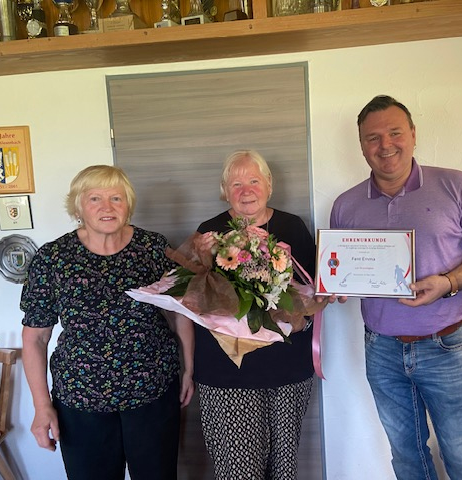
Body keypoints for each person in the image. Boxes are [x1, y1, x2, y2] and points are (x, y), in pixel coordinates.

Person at [330, 95, 462, 480]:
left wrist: (449, 282)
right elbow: (341, 269)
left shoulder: (456, 185)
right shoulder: (345, 205)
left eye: (395, 133)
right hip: (381, 349)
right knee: (407, 460)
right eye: (372, 138)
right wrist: (338, 285)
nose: (385, 145)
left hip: (447, 346)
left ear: (413, 134)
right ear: (361, 145)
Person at [20, 165, 194, 480]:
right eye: (95, 199)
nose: (107, 207)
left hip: (152, 392)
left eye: (116, 198)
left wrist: (188, 370)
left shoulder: (153, 248)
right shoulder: (52, 259)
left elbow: (179, 312)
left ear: (128, 205)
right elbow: (35, 338)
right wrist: (42, 406)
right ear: (78, 208)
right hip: (81, 399)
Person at [193, 149, 316, 480]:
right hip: (227, 372)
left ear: (269, 185)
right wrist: (201, 260)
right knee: (238, 470)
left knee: (283, 468)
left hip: (286, 368)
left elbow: (312, 289)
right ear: (224, 190)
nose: (246, 191)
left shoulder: (293, 227)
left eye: (254, 181)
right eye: (236, 184)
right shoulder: (209, 232)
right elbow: (195, 300)